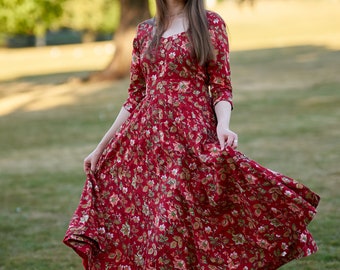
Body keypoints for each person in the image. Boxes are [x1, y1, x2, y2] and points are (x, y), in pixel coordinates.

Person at [63, 0, 320, 269]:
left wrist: (223, 125)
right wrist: (100, 148)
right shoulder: (144, 31)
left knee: (177, 223)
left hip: (192, 139)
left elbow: (221, 86)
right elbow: (135, 96)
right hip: (147, 143)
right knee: (156, 230)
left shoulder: (210, 24)